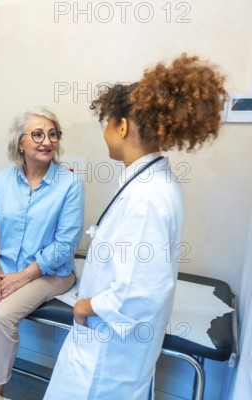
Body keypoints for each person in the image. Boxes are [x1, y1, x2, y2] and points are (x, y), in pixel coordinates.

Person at [44, 54, 227, 399]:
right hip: (113, 348)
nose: (105, 133)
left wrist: (85, 306)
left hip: (107, 356)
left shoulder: (147, 196)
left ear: (123, 126)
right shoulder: (150, 180)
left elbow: (139, 293)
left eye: (108, 124)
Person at [0, 107, 85, 400]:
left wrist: (21, 277)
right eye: (38, 134)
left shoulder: (70, 184)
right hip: (3, 264)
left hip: (51, 272)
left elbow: (64, 246)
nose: (47, 141)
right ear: (21, 142)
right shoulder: (5, 180)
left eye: (53, 134)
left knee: (2, 315)